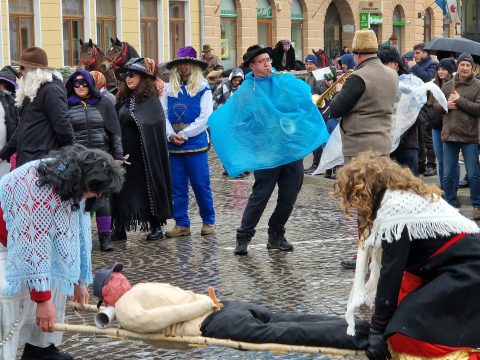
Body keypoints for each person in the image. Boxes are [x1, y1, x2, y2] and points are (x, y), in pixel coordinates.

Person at [334, 151, 480, 360]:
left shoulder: (396, 208)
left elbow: (391, 272)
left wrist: (377, 330)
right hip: (443, 266)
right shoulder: (397, 197)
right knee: (397, 321)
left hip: (466, 270)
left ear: (363, 190)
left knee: (407, 330)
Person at [0, 145, 124, 360]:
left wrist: (79, 279)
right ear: (86, 181)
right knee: (8, 296)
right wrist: (42, 300)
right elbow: (32, 245)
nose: (97, 196)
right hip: (6, 239)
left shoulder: (76, 185)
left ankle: (40, 348)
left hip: (27, 239)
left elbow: (77, 233)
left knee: (58, 276)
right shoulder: (39, 188)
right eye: (96, 191)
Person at [92, 263, 369, 350]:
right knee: (288, 321)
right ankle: (360, 328)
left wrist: (203, 304)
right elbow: (166, 314)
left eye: (118, 275)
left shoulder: (130, 301)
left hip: (211, 318)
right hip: (220, 309)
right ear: (110, 291)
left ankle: (358, 336)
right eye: (116, 278)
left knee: (287, 332)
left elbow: (168, 314)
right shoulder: (133, 298)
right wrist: (206, 303)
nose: (121, 277)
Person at [219, 45, 328, 255]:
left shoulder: (281, 80)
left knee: (289, 195)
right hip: (266, 151)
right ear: (252, 66)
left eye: (268, 60)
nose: (268, 64)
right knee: (260, 195)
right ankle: (243, 237)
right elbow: (239, 118)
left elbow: (302, 99)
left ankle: (276, 235)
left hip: (289, 148)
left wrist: (289, 82)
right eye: (262, 61)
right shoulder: (247, 89)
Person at [329, 30, 398, 269]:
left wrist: (337, 93)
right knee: (379, 202)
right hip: (383, 146)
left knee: (363, 205)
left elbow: (336, 109)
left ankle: (364, 257)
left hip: (360, 148)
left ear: (357, 54)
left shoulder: (358, 78)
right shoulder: (391, 74)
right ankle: (378, 253)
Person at [113, 57, 173, 241]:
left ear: (143, 77)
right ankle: (120, 226)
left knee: (148, 188)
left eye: (132, 74)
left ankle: (155, 225)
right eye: (125, 76)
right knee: (121, 189)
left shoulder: (150, 101)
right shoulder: (122, 99)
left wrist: (136, 122)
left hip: (145, 155)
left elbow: (154, 123)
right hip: (125, 153)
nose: (128, 78)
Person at [65, 69, 124, 251]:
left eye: (84, 83)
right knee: (77, 200)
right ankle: (79, 239)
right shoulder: (66, 105)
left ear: (91, 84)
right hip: (78, 160)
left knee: (102, 200)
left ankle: (105, 238)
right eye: (77, 83)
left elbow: (114, 132)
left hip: (101, 158)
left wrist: (118, 156)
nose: (81, 86)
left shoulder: (103, 103)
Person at [161, 46, 216, 238]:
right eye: (180, 64)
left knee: (201, 185)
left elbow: (205, 116)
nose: (183, 67)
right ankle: (182, 223)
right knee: (177, 187)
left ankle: (208, 221)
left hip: (195, 144)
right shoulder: (168, 89)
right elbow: (164, 114)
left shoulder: (203, 88)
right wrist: (169, 134)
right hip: (173, 145)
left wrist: (184, 134)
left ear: (194, 65)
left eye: (187, 63)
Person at [0, 47, 74, 168]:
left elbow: (63, 127)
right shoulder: (33, 89)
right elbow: (22, 129)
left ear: (35, 71)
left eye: (22, 68)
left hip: (43, 162)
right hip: (29, 160)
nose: (19, 72)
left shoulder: (51, 90)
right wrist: (3, 155)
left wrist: (69, 155)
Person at [433, 53, 480, 219]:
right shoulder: (448, 85)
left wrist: (459, 101)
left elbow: (478, 109)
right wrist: (446, 105)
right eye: (462, 65)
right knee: (447, 174)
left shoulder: (477, 85)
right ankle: (450, 205)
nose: (465, 68)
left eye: (468, 65)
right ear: (458, 67)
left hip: (469, 136)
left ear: (472, 67)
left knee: (474, 174)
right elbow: (435, 104)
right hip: (449, 135)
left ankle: (477, 205)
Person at [378, 46, 419, 176]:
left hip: (406, 142)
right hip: (384, 139)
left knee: (411, 184)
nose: (380, 68)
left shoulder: (410, 83)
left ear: (395, 65)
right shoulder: (379, 81)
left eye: (384, 64)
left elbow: (420, 114)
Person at [427, 58, 459, 191]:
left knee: (451, 162)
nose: (441, 71)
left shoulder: (454, 85)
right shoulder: (434, 84)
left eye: (444, 69)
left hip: (450, 127)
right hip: (436, 127)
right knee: (440, 159)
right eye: (439, 69)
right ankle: (443, 188)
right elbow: (430, 103)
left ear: (450, 71)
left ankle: (453, 188)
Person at [407, 43, 438, 177]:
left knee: (427, 136)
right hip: (414, 103)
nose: (415, 56)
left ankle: (431, 165)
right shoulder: (413, 65)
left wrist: (414, 67)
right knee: (417, 136)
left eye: (418, 53)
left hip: (426, 104)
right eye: (414, 53)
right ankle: (420, 164)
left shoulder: (432, 64)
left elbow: (427, 78)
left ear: (426, 53)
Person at [303, 54, 325, 175]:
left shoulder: (318, 75)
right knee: (313, 138)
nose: (308, 66)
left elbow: (321, 93)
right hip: (311, 110)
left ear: (315, 64)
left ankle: (318, 164)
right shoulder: (308, 77)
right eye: (306, 64)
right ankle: (315, 163)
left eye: (310, 64)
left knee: (317, 138)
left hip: (318, 110)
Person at [0, 66, 19, 168]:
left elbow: (15, 127)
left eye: (5, 86)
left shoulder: (13, 101)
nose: (2, 89)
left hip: (7, 153)